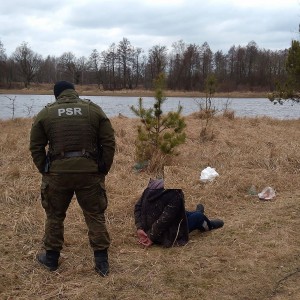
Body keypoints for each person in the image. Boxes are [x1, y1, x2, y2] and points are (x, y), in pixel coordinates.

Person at [29, 81, 115, 276]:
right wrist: (103, 167)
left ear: (57, 95)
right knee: (95, 215)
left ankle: (51, 259)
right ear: (74, 92)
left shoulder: (46, 113)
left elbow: (35, 145)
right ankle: (102, 263)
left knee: (54, 215)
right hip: (89, 173)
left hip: (58, 175)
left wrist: (45, 169)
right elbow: (108, 141)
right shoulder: (93, 110)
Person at [134, 179, 224, 248]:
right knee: (199, 217)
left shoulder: (150, 188)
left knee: (182, 212)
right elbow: (165, 219)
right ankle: (210, 225)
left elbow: (137, 207)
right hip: (166, 235)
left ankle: (197, 212)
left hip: (147, 229)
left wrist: (140, 228)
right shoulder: (174, 193)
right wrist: (151, 237)